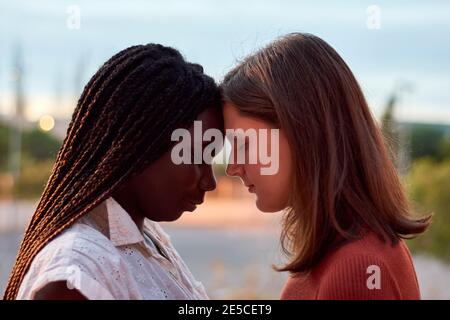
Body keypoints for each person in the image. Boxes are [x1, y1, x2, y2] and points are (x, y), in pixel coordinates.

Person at [221, 33, 431, 300]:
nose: (233, 167)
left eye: (244, 144)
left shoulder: (357, 268)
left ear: (303, 133)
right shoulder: (347, 249)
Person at [4, 43, 223, 300]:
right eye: (196, 156)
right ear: (136, 144)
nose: (210, 182)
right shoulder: (76, 276)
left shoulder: (145, 240)